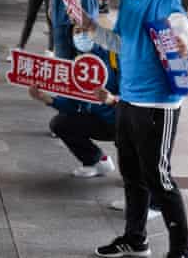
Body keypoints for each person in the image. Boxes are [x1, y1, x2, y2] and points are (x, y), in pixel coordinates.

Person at [75, 0, 188, 258]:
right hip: (128, 97)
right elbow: (121, 42)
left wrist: (182, 43)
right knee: (131, 173)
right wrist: (92, 29)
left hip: (158, 102)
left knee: (158, 177)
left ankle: (183, 248)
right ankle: (135, 238)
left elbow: (180, 29)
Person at [28, 30, 119, 178]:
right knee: (60, 123)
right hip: (97, 120)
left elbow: (133, 95)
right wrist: (47, 99)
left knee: (132, 159)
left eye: (85, 31)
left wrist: (112, 100)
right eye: (76, 31)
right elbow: (72, 104)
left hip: (122, 119)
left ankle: (137, 176)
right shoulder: (76, 63)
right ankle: (97, 161)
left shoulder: (114, 59)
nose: (81, 35)